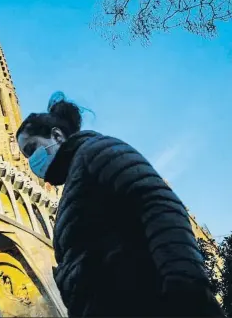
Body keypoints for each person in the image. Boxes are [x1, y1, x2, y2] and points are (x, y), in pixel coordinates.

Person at [16, 92, 224, 317]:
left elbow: (157, 204)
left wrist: (186, 287)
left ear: (56, 135)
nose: (31, 161)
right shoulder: (73, 183)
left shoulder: (95, 151)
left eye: (32, 149)